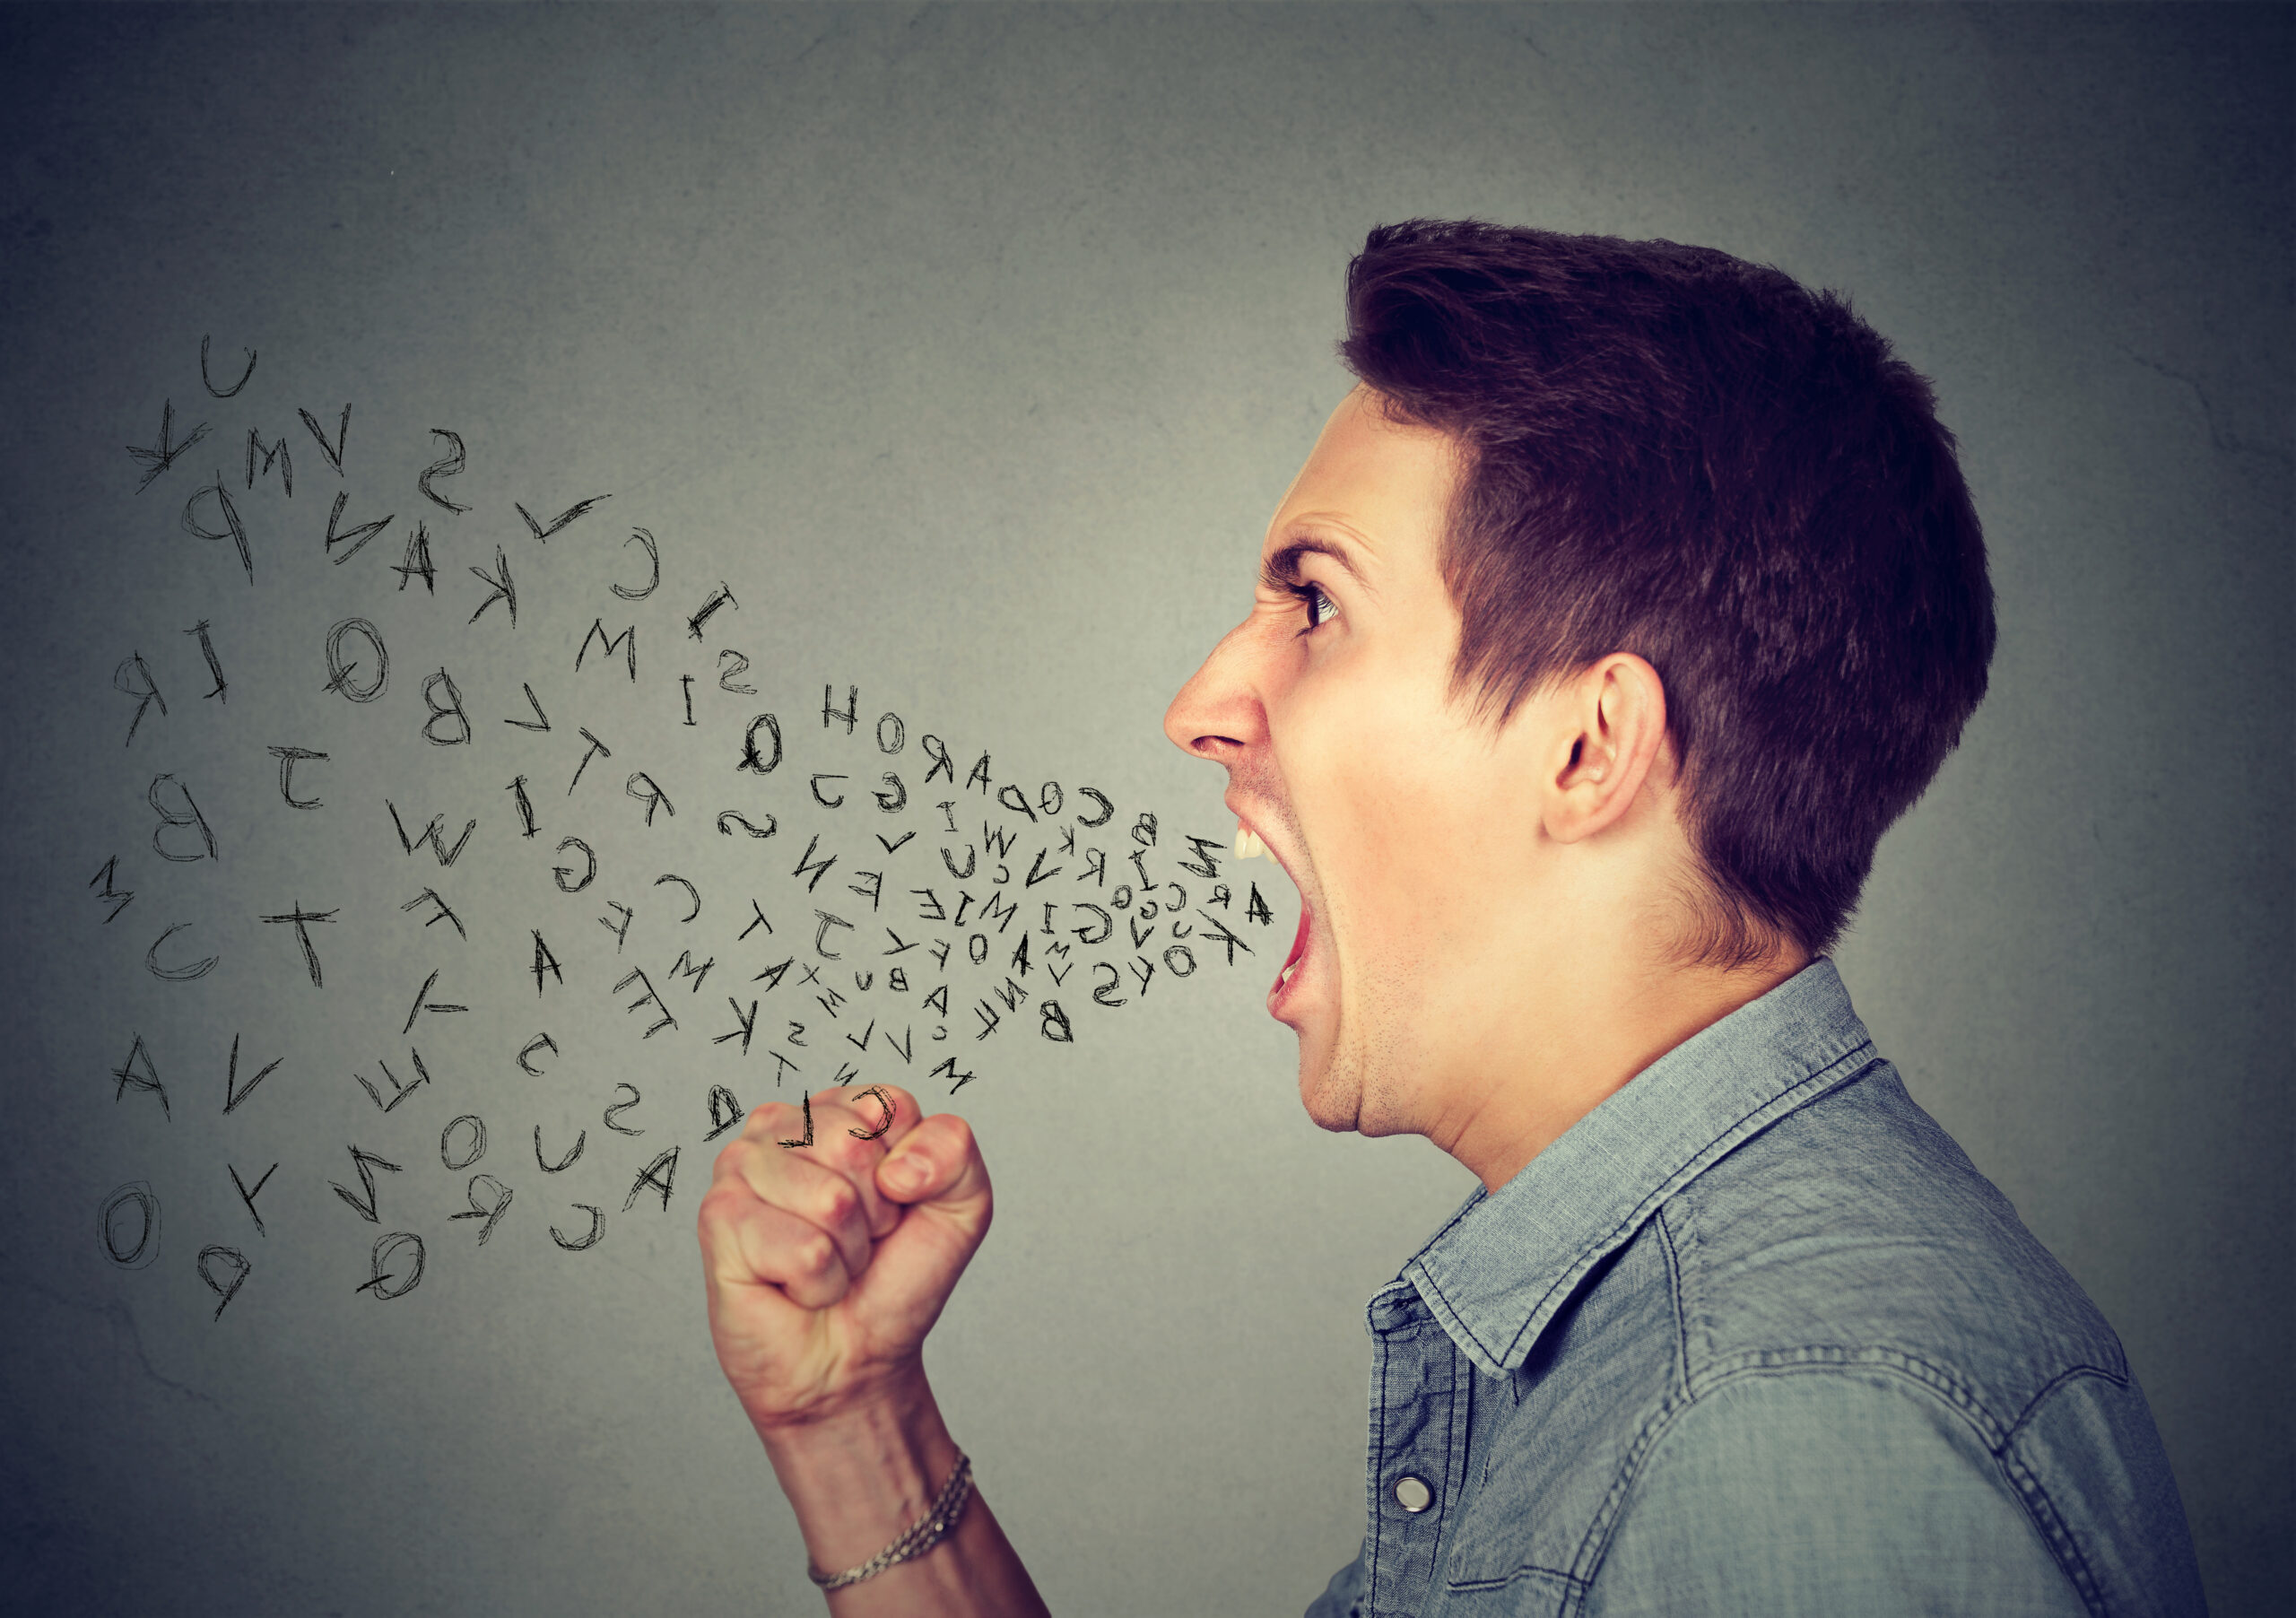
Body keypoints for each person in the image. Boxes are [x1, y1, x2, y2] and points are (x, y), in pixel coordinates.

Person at [695, 221, 2208, 1616]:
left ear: (1588, 749)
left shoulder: (1784, 1431)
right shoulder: (1676, 1350)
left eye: (1315, 602)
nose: (1202, 707)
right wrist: (856, 1423)